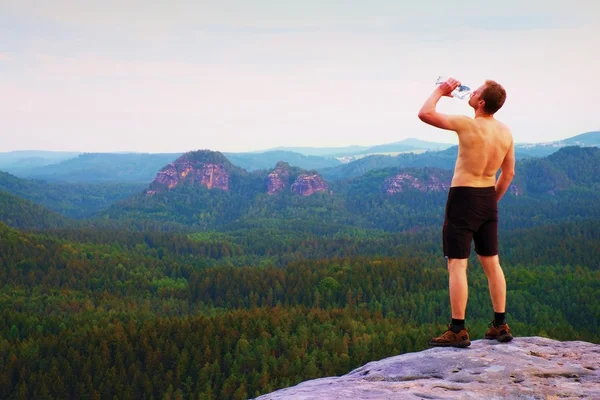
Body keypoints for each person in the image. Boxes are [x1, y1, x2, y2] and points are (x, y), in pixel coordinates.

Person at [418, 78, 515, 348]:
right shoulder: (506, 132)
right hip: (487, 198)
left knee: (457, 264)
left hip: (463, 197)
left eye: (477, 92)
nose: (471, 93)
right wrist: (490, 202)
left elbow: (425, 113)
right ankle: (500, 324)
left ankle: (458, 330)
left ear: (481, 103)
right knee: (492, 263)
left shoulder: (468, 123)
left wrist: (440, 91)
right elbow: (508, 174)